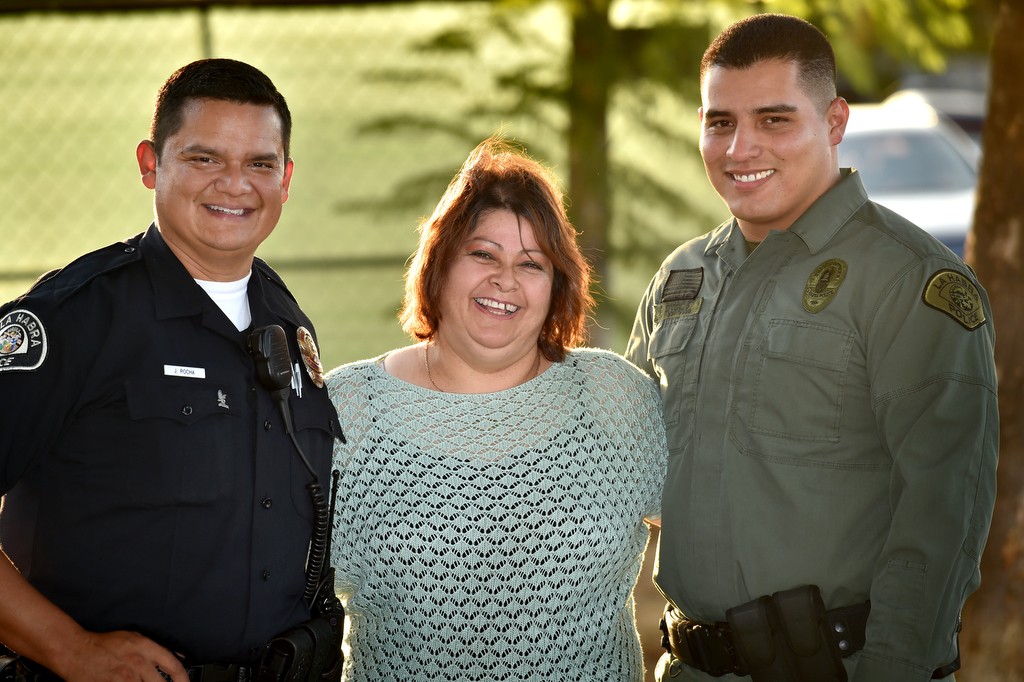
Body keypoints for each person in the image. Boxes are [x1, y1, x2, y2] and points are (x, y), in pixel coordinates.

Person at [625, 13, 998, 682]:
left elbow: (943, 516)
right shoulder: (681, 279)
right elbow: (617, 472)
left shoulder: (908, 280)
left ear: (833, 122)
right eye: (719, 122)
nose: (740, 148)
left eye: (774, 120)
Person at [0, 59, 343, 681]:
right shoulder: (77, 318)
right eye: (205, 159)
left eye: (260, 164)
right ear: (150, 164)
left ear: (286, 179)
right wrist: (71, 650)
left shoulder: (285, 319)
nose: (236, 185)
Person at [324, 137, 668, 681]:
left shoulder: (611, 397)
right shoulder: (349, 410)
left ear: (557, 285)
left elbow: (713, 532)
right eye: (482, 253)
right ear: (439, 265)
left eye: (531, 263)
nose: (504, 279)